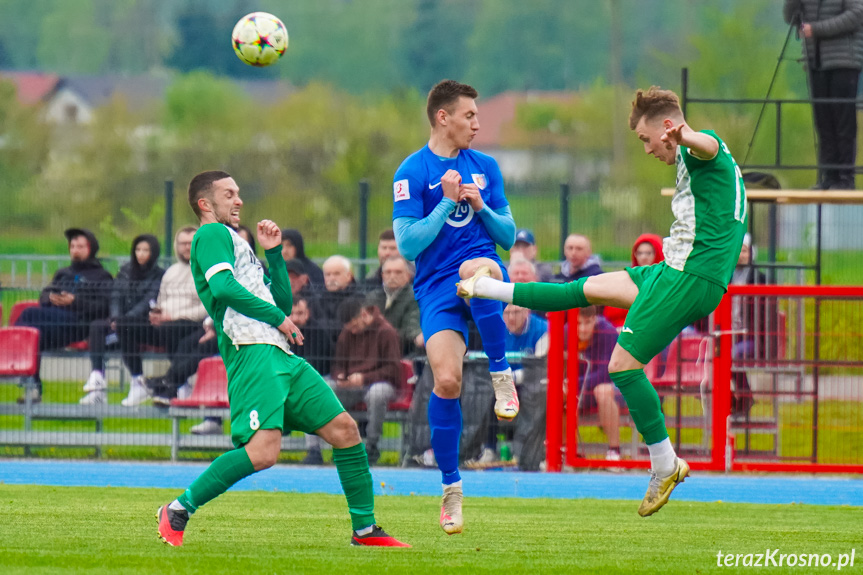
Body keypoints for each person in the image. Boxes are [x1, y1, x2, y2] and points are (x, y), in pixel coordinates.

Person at [458, 86, 747, 517]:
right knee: (581, 289)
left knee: (621, 367)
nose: (647, 149)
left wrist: (683, 136)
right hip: (671, 271)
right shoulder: (695, 160)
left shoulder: (702, 147)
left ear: (667, 127)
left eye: (647, 139)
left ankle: (665, 463)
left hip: (689, 278)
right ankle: (484, 288)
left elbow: (707, 144)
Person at [156, 170, 408, 548]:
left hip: (279, 353)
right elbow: (225, 289)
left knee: (344, 431)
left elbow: (282, 303)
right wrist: (279, 318)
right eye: (229, 194)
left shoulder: (236, 243)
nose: (238, 199)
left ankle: (365, 529)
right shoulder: (210, 234)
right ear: (205, 204)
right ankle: (178, 509)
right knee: (263, 453)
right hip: (252, 352)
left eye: (239, 192)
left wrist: (273, 254)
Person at [392, 79, 518, 535]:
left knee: (478, 272)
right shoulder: (411, 170)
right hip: (435, 286)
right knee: (446, 381)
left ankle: (502, 374)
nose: (477, 125)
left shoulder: (484, 166)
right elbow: (408, 244)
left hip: (482, 266)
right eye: (469, 116)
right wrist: (446, 202)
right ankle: (451, 489)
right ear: (443, 117)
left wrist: (481, 205)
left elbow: (507, 236)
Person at [15, 228, 113, 403]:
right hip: (56, 323)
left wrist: (74, 302)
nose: (75, 250)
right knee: (33, 335)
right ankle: (33, 386)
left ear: (90, 249)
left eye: (80, 246)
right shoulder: (63, 273)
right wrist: (51, 298)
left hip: (79, 323)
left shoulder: (102, 276)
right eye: (73, 246)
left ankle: (17, 368)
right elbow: (44, 295)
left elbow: (104, 307)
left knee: (27, 314)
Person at [117, 226, 208, 407]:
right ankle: (138, 381)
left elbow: (206, 309)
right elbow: (160, 300)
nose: (187, 247)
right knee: (124, 325)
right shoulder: (171, 272)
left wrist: (172, 316)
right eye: (183, 243)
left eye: (191, 243)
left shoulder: (206, 271)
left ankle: (177, 383)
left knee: (171, 329)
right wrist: (156, 313)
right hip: (164, 322)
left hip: (191, 324)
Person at [310, 296, 401, 466]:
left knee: (377, 394)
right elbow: (338, 364)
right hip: (351, 385)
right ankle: (320, 448)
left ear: (364, 315)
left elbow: (394, 369)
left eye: (354, 325)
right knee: (322, 389)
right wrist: (340, 377)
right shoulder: (347, 333)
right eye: (349, 327)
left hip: (380, 383)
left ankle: (371, 446)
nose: (352, 331)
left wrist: (364, 378)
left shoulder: (386, 332)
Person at [784, 0, 863, 190]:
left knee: (843, 122)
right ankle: (828, 176)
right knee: (823, 122)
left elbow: (856, 15)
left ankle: (845, 178)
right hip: (815, 61)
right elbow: (790, 17)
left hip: (844, 60)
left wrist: (816, 29)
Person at [80, 234, 164, 405]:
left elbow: (149, 300)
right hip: (119, 321)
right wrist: (116, 317)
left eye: (145, 250)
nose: (141, 254)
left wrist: (125, 319)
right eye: (138, 249)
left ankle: (137, 380)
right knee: (97, 326)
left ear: (153, 252)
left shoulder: (159, 275)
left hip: (142, 324)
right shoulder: (125, 271)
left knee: (126, 327)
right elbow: (116, 296)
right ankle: (97, 377)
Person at [570, 306, 624, 461]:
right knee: (559, 391)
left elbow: (605, 374)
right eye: (579, 323)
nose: (583, 328)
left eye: (588, 322)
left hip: (615, 388)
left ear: (595, 318)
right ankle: (567, 451)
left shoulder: (607, 332)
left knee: (603, 391)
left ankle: (614, 451)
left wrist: (573, 382)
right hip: (580, 389)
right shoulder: (565, 332)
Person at [365, 255, 423, 356]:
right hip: (373, 353)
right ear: (382, 275)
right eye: (388, 272)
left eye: (398, 272)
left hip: (404, 353)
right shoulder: (372, 297)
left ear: (408, 276)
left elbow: (410, 331)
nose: (392, 276)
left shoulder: (415, 297)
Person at [604, 233, 665, 328]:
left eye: (648, 253)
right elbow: (611, 314)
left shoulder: (665, 281)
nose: (643, 257)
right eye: (639, 253)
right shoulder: (627, 278)